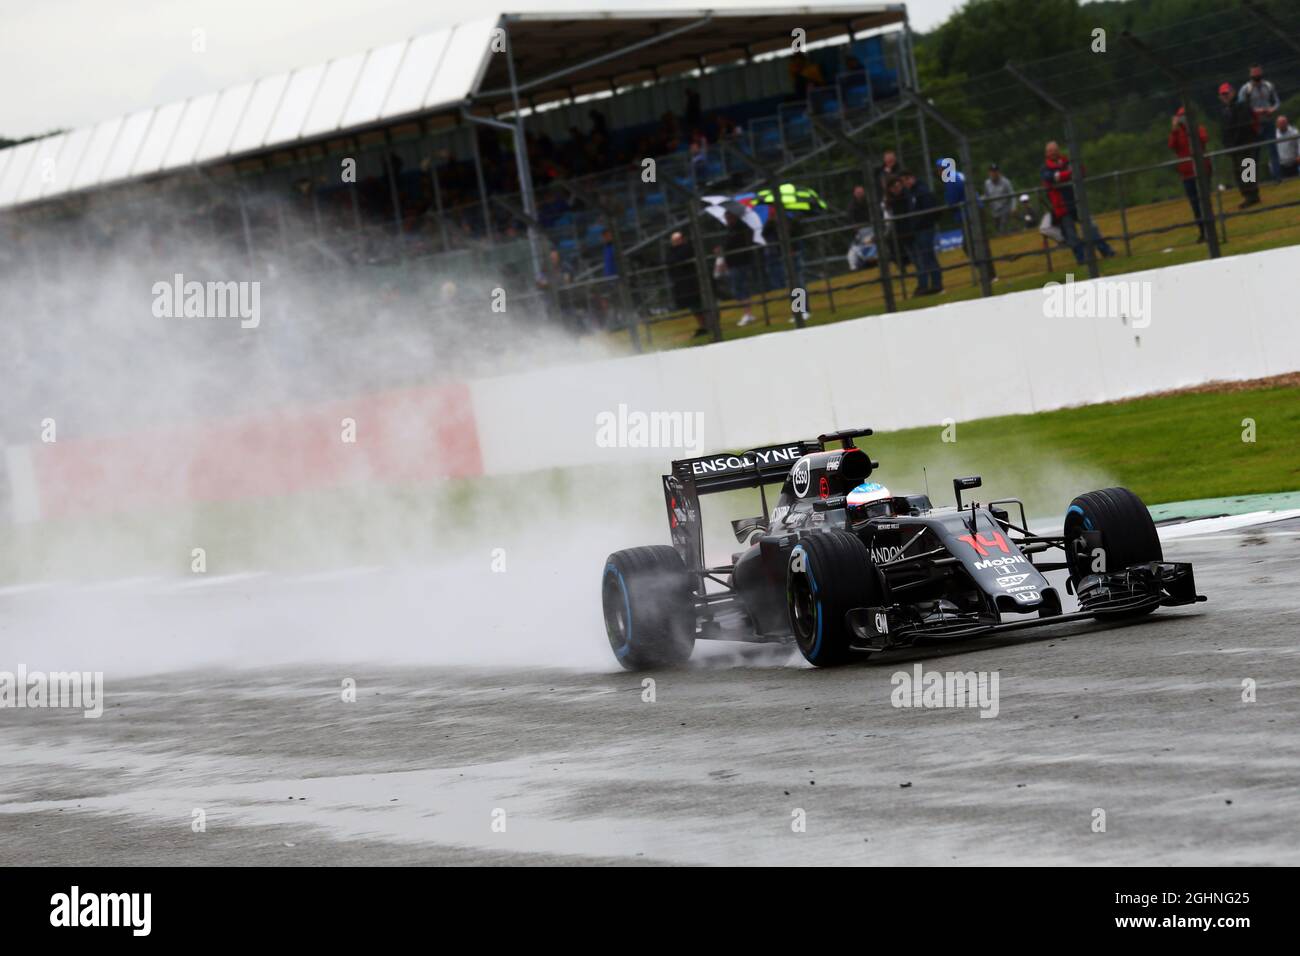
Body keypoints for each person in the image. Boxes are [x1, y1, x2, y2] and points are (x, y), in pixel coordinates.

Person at [1041, 140, 1116, 265]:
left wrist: (1064, 175)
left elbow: (1081, 171)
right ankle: (1083, 260)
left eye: (1055, 150)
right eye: (1050, 151)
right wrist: (1069, 174)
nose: (1053, 153)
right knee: (1072, 236)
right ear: (1046, 153)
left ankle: (1106, 252)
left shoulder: (1066, 161)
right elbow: (1051, 178)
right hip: (1062, 207)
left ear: (1058, 150)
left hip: (1077, 202)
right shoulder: (1045, 168)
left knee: (1091, 229)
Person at [1168, 106, 1211, 241]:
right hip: (1187, 173)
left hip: (1202, 170)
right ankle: (1202, 231)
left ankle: (1209, 230)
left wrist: (1191, 129)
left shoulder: (1198, 128)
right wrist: (1174, 130)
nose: (1184, 120)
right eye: (1182, 117)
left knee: (1204, 201)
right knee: (1195, 204)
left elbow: (1204, 139)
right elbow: (1172, 146)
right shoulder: (1177, 132)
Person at [1219, 81, 1261, 209]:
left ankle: (1252, 195)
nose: (1225, 96)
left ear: (1233, 92)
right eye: (1222, 94)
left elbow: (1243, 126)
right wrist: (1227, 145)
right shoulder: (1225, 110)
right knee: (1239, 172)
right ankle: (1247, 195)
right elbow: (1224, 130)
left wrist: (1234, 142)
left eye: (1227, 93)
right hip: (1234, 147)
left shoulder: (1241, 105)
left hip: (1244, 144)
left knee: (1247, 169)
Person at [902, 171, 943, 296]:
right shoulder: (912, 193)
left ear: (913, 178)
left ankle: (937, 284)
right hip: (919, 230)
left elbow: (929, 210)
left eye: (908, 179)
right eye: (904, 181)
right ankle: (932, 285)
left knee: (929, 256)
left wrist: (921, 223)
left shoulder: (922, 191)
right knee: (925, 257)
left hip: (925, 229)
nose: (906, 183)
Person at [1238, 66, 1282, 182]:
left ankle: (1277, 177)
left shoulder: (1268, 86)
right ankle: (1251, 180)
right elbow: (1242, 107)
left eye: (1258, 73)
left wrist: (1272, 109)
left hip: (1268, 121)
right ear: (1250, 75)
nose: (1257, 76)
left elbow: (1277, 102)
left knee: (1273, 149)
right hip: (1254, 124)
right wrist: (1256, 111)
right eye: (1254, 74)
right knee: (1253, 152)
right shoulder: (1246, 89)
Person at [667, 231, 708, 337]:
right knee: (694, 307)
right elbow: (669, 260)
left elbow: (678, 258)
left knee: (701, 304)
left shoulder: (688, 248)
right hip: (683, 284)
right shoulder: (672, 251)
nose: (676, 242)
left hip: (693, 282)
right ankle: (702, 326)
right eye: (674, 241)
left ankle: (708, 325)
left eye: (678, 240)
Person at [724, 211, 759, 327]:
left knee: (742, 287)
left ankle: (800, 310)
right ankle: (747, 313)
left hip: (741, 262)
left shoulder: (742, 228)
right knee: (738, 288)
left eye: (728, 217)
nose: (727, 219)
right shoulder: (730, 230)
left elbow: (742, 243)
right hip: (734, 263)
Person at [983, 163, 1015, 234]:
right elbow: (986, 196)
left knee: (1002, 228)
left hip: (1005, 208)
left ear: (999, 172)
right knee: (998, 229)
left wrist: (1013, 207)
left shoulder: (1005, 181)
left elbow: (1012, 195)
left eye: (995, 171)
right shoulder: (987, 183)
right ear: (989, 173)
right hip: (994, 211)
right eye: (992, 171)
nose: (994, 173)